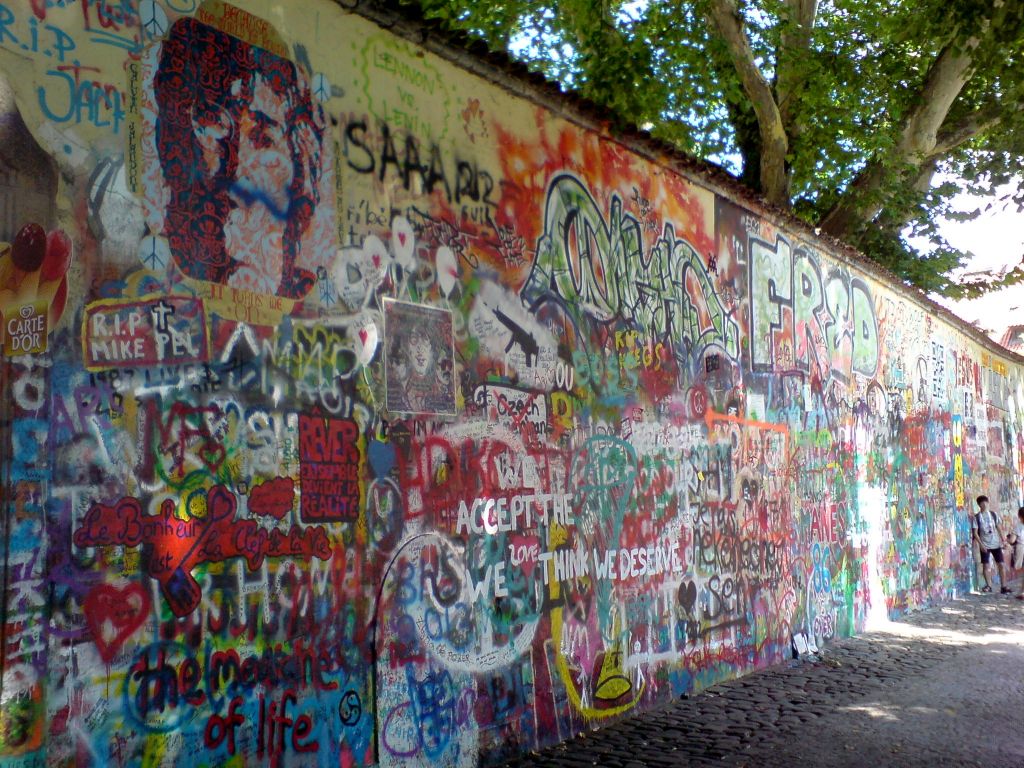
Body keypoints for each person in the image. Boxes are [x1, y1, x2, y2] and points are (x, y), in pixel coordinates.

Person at [148, 15, 335, 299]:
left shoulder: (303, 288)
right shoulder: (172, 271)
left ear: (303, 159)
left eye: (260, 137)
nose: (233, 165)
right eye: (212, 128)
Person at [973, 495, 1011, 594]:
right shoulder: (977, 517)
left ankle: (1004, 586)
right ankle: (989, 586)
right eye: (982, 503)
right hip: (985, 544)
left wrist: (1004, 541)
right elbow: (975, 533)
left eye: (986, 502)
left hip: (996, 544)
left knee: (1001, 565)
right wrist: (981, 545)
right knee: (986, 565)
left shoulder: (993, 514)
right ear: (979, 505)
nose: (985, 504)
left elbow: (999, 528)